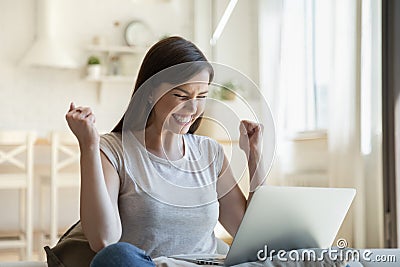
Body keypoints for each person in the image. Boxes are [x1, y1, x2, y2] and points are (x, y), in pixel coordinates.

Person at [65, 36, 265, 267]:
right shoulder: (113, 150)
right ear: (149, 92)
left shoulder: (210, 152)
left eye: (201, 96)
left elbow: (248, 234)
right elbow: (104, 240)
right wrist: (88, 146)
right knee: (116, 257)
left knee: (303, 252)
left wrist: (255, 158)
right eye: (181, 95)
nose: (192, 108)